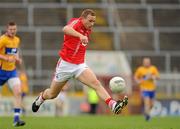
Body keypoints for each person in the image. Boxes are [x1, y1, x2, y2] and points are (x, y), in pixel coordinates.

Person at [32, 9, 128, 115]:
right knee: (52, 94)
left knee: (96, 84)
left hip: (79, 66)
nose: (92, 24)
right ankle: (40, 99)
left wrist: (82, 35)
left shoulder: (87, 29)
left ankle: (113, 105)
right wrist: (80, 35)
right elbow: (65, 29)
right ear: (82, 19)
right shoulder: (75, 23)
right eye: (90, 21)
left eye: (94, 21)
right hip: (65, 65)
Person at [0, 21, 25, 126]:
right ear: (7, 29)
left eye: (14, 29)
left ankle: (16, 119)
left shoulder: (17, 39)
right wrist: (5, 58)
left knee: (18, 92)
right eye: (11, 29)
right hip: (1, 70)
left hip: (12, 71)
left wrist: (18, 59)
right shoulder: (2, 40)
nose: (13, 31)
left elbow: (15, 51)